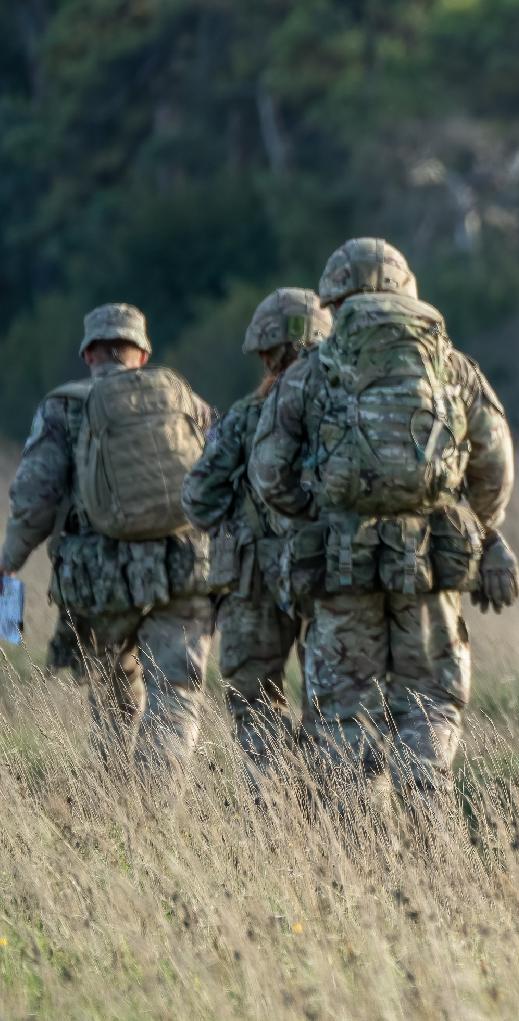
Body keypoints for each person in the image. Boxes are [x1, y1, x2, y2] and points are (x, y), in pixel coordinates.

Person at [251, 238, 518, 801]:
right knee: (430, 702)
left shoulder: (314, 368)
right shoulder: (451, 363)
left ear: (333, 299)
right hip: (431, 565)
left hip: (340, 565)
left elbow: (269, 470)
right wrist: (476, 526)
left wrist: (321, 513)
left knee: (343, 712)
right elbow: (495, 463)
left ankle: (351, 853)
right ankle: (427, 831)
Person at [0, 303, 216, 773]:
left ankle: (116, 805)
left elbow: (36, 497)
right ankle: (155, 813)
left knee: (112, 695)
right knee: (175, 694)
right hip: (184, 569)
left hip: (98, 580)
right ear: (142, 353)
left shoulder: (62, 407)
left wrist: (10, 560)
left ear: (89, 353)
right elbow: (216, 483)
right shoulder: (185, 400)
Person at [182, 287, 331, 781]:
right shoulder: (343, 410)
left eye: (268, 352)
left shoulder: (249, 413)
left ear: (279, 351)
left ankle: (274, 808)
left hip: (255, 577)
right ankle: (328, 808)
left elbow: (199, 498)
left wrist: (240, 516)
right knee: (332, 704)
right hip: (331, 573)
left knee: (254, 702)